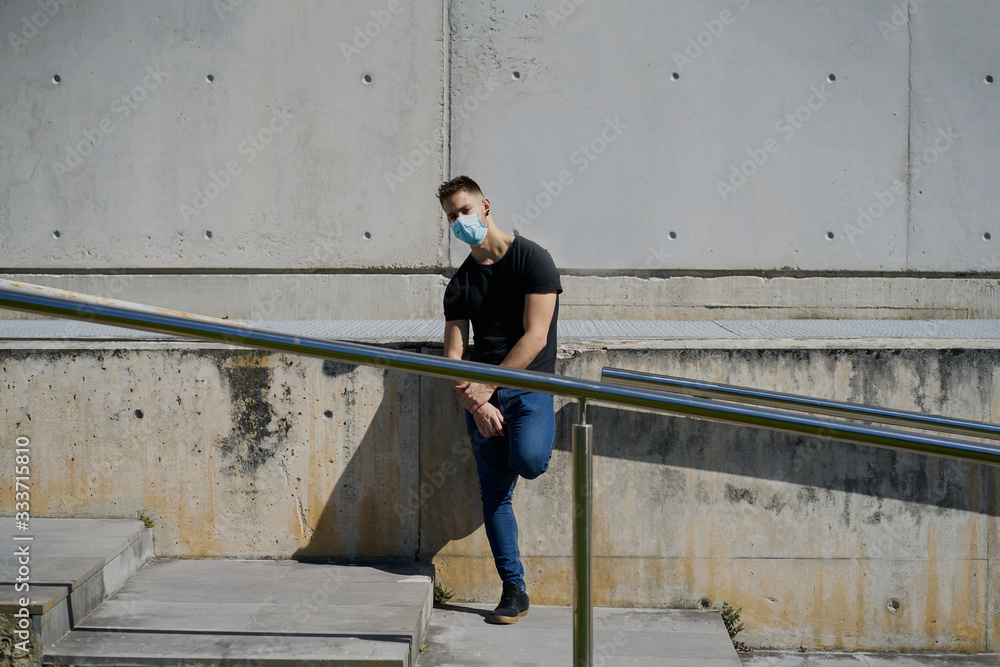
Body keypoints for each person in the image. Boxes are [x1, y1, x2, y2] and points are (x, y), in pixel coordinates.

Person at [438, 175, 562, 625]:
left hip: (530, 385)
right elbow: (452, 359)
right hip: (481, 398)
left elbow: (536, 335)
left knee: (529, 461)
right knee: (494, 494)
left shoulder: (533, 259)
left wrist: (489, 386)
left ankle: (525, 438)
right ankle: (514, 590)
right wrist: (476, 404)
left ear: (485, 205)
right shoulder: (460, 285)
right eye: (452, 217)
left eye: (464, 210)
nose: (459, 221)